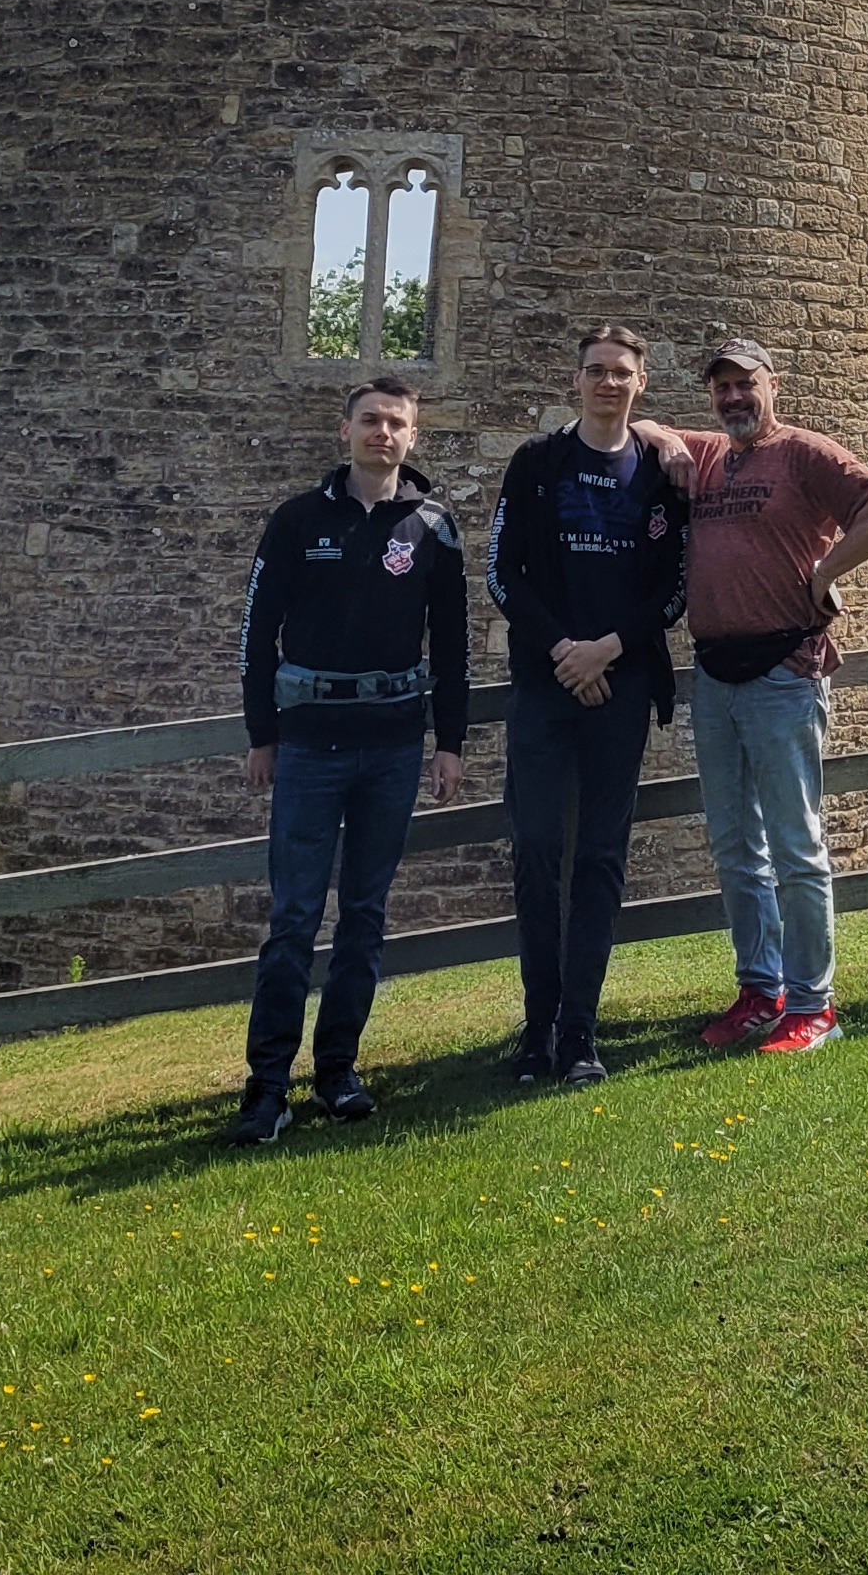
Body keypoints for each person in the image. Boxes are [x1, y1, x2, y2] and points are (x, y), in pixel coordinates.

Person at [227, 376, 467, 1143]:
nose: (383, 434)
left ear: (413, 436)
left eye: (397, 423)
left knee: (364, 918)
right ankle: (267, 1088)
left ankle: (338, 1073)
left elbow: (455, 648)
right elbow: (256, 633)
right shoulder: (297, 520)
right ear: (345, 430)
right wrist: (261, 735)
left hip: (394, 748)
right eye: (371, 421)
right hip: (308, 749)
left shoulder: (434, 525)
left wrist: (450, 743)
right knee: (293, 919)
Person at [658, 335, 868, 1055]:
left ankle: (812, 1004)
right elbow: (640, 427)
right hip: (715, 675)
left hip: (783, 673)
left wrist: (825, 573)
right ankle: (759, 988)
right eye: (722, 387)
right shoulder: (708, 454)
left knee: (796, 846)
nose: (734, 397)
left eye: (746, 384)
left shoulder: (804, 452)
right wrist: (658, 433)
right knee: (736, 845)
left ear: (775, 386)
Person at [482, 323, 692, 1083]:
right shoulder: (537, 463)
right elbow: (503, 574)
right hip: (545, 688)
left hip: (622, 687)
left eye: (622, 372)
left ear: (641, 383)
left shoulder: (661, 475)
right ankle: (537, 1031)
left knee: (601, 858)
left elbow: (673, 587)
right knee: (537, 851)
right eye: (596, 370)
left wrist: (606, 648)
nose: (608, 382)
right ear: (576, 380)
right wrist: (565, 652)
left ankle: (581, 1035)